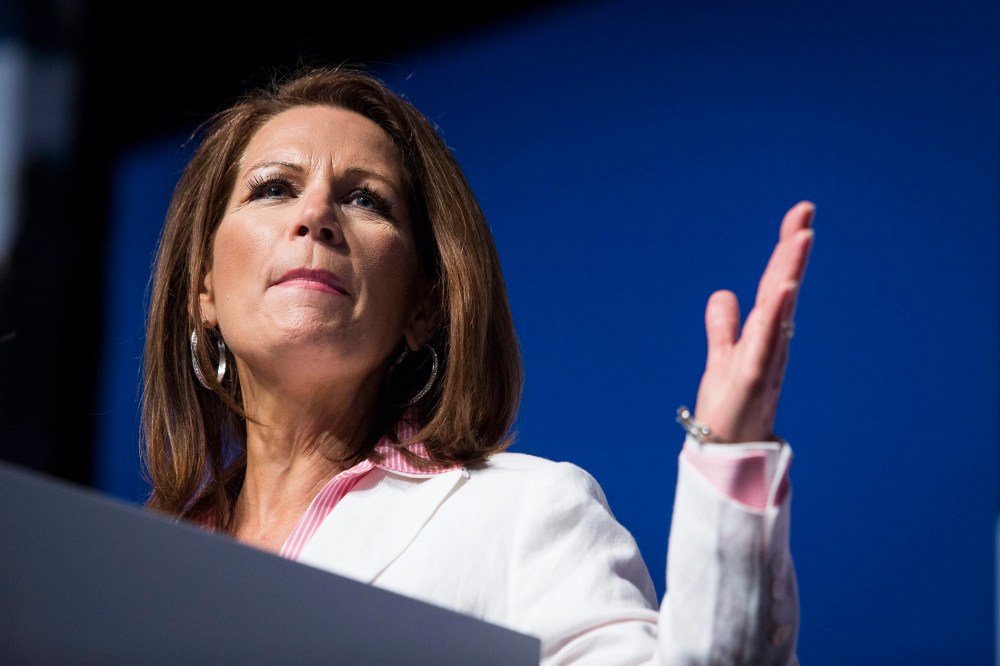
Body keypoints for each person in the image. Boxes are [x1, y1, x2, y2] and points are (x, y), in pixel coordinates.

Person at [141, 65, 813, 664]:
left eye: (364, 199)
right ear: (204, 289)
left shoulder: (522, 514)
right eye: (273, 189)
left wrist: (731, 462)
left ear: (423, 306)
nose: (315, 214)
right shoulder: (135, 564)